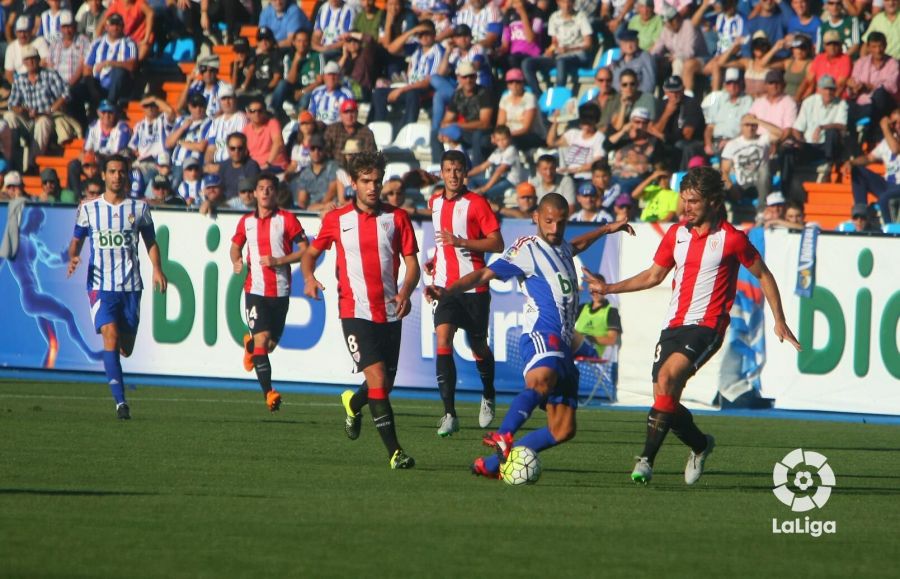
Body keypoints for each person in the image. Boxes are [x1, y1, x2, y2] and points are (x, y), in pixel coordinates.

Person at [582, 166, 801, 485]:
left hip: (708, 327)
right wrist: (609, 288)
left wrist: (779, 321)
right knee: (663, 396)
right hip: (673, 326)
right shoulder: (677, 234)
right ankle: (700, 445)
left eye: (693, 201)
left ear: (712, 202)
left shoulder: (732, 239)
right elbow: (653, 276)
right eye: (684, 200)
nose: (686, 207)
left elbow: (764, 275)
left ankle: (646, 460)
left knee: (669, 378)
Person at [426, 193, 634, 479]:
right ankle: (504, 434)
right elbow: (484, 273)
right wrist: (448, 290)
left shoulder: (561, 246)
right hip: (541, 334)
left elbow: (575, 245)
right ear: (536, 218)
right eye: (548, 221)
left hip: (564, 344)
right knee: (541, 380)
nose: (554, 229)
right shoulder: (526, 248)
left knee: (563, 429)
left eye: (560, 223)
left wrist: (606, 229)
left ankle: (490, 464)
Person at [301, 151, 421, 469]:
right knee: (379, 378)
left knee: (384, 383)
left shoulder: (397, 218)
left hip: (391, 311)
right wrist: (309, 277)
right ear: (352, 183)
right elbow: (309, 255)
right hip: (354, 311)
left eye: (376, 181)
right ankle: (396, 452)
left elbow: (412, 265)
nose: (372, 187)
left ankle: (353, 402)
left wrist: (406, 291)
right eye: (365, 181)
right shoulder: (337, 220)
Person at [66, 154, 168, 419]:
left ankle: (118, 373)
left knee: (126, 348)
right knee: (109, 334)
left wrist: (157, 269)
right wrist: (74, 255)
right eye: (112, 171)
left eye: (121, 172)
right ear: (104, 175)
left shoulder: (140, 208)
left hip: (131, 286)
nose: (116, 176)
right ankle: (120, 402)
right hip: (100, 285)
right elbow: (76, 240)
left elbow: (151, 242)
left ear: (127, 175)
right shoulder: (89, 209)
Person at [427, 149, 504, 436]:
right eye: (448, 169)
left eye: (458, 169)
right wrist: (435, 261)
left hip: (474, 287)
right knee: (443, 340)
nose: (453, 175)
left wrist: (461, 241)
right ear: (442, 173)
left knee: (478, 347)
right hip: (446, 288)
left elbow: (497, 244)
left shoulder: (477, 203)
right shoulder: (434, 203)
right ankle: (449, 413)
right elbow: (442, 244)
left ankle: (488, 393)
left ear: (466, 172)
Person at [230, 172, 309, 412]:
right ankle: (269, 394)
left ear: (276, 193)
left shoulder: (287, 219)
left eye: (269, 188)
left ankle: (250, 346)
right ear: (254, 193)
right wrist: (237, 260)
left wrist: (279, 260)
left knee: (269, 345)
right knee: (264, 340)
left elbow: (305, 250)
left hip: (281, 290)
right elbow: (235, 247)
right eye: (261, 188)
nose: (265, 192)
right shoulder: (246, 222)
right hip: (255, 289)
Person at [4, 44, 79, 171]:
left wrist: (50, 109)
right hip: (28, 118)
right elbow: (12, 104)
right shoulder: (20, 79)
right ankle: (11, 157)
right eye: (27, 59)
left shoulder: (50, 75)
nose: (31, 62)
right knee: (8, 116)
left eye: (33, 58)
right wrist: (22, 110)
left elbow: (66, 94)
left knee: (42, 122)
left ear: (38, 59)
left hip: (47, 115)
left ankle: (33, 163)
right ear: (24, 62)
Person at [521, 0, 592, 97]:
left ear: (573, 3)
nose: (566, 5)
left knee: (561, 61)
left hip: (577, 55)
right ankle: (538, 95)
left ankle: (558, 95)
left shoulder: (581, 17)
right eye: (563, 2)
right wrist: (550, 50)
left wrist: (569, 49)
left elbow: (588, 44)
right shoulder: (554, 17)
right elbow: (554, 41)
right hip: (560, 54)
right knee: (527, 63)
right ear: (558, 3)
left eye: (569, 2)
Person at [846, 111, 900, 224]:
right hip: (888, 185)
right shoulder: (887, 141)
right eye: (894, 123)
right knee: (858, 171)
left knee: (885, 198)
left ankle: (889, 230)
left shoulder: (890, 140)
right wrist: (852, 163)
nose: (898, 125)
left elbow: (895, 149)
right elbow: (869, 158)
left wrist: (885, 128)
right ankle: (861, 215)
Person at [721, 113, 772, 215]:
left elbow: (779, 133)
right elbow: (724, 172)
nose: (750, 128)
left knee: (764, 169)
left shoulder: (763, 140)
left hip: (760, 183)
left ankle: (761, 211)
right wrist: (732, 188)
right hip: (741, 185)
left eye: (753, 125)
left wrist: (758, 121)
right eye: (747, 125)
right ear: (741, 126)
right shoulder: (732, 144)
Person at [547, 102, 606, 181]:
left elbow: (595, 163)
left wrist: (572, 170)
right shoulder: (573, 134)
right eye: (583, 123)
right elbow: (551, 142)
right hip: (567, 176)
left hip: (586, 177)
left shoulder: (599, 138)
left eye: (589, 123)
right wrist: (556, 122)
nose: (586, 126)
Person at [467, 125, 526, 202]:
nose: (501, 142)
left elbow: (500, 171)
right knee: (472, 180)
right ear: (495, 140)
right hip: (499, 180)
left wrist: (484, 189)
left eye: (504, 139)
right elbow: (482, 167)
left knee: (484, 193)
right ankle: (472, 196)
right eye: (498, 140)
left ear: (510, 138)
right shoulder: (497, 151)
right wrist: (465, 174)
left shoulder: (511, 150)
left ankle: (477, 200)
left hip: (510, 182)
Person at [217, 132, 260, 200]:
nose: (236, 151)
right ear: (228, 149)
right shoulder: (223, 166)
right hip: (225, 205)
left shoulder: (252, 166)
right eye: (232, 148)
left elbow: (250, 194)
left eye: (240, 148)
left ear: (245, 148)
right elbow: (219, 189)